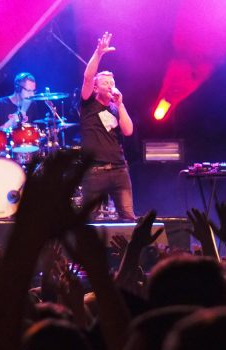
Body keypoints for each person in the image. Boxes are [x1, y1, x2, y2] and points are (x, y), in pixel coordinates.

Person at [79, 32, 136, 221]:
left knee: (128, 217)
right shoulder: (88, 104)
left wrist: (120, 105)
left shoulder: (116, 107)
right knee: (89, 221)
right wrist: (99, 53)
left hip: (120, 170)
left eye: (112, 82)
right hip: (95, 172)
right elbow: (88, 77)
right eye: (105, 83)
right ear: (96, 89)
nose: (111, 85)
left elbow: (128, 131)